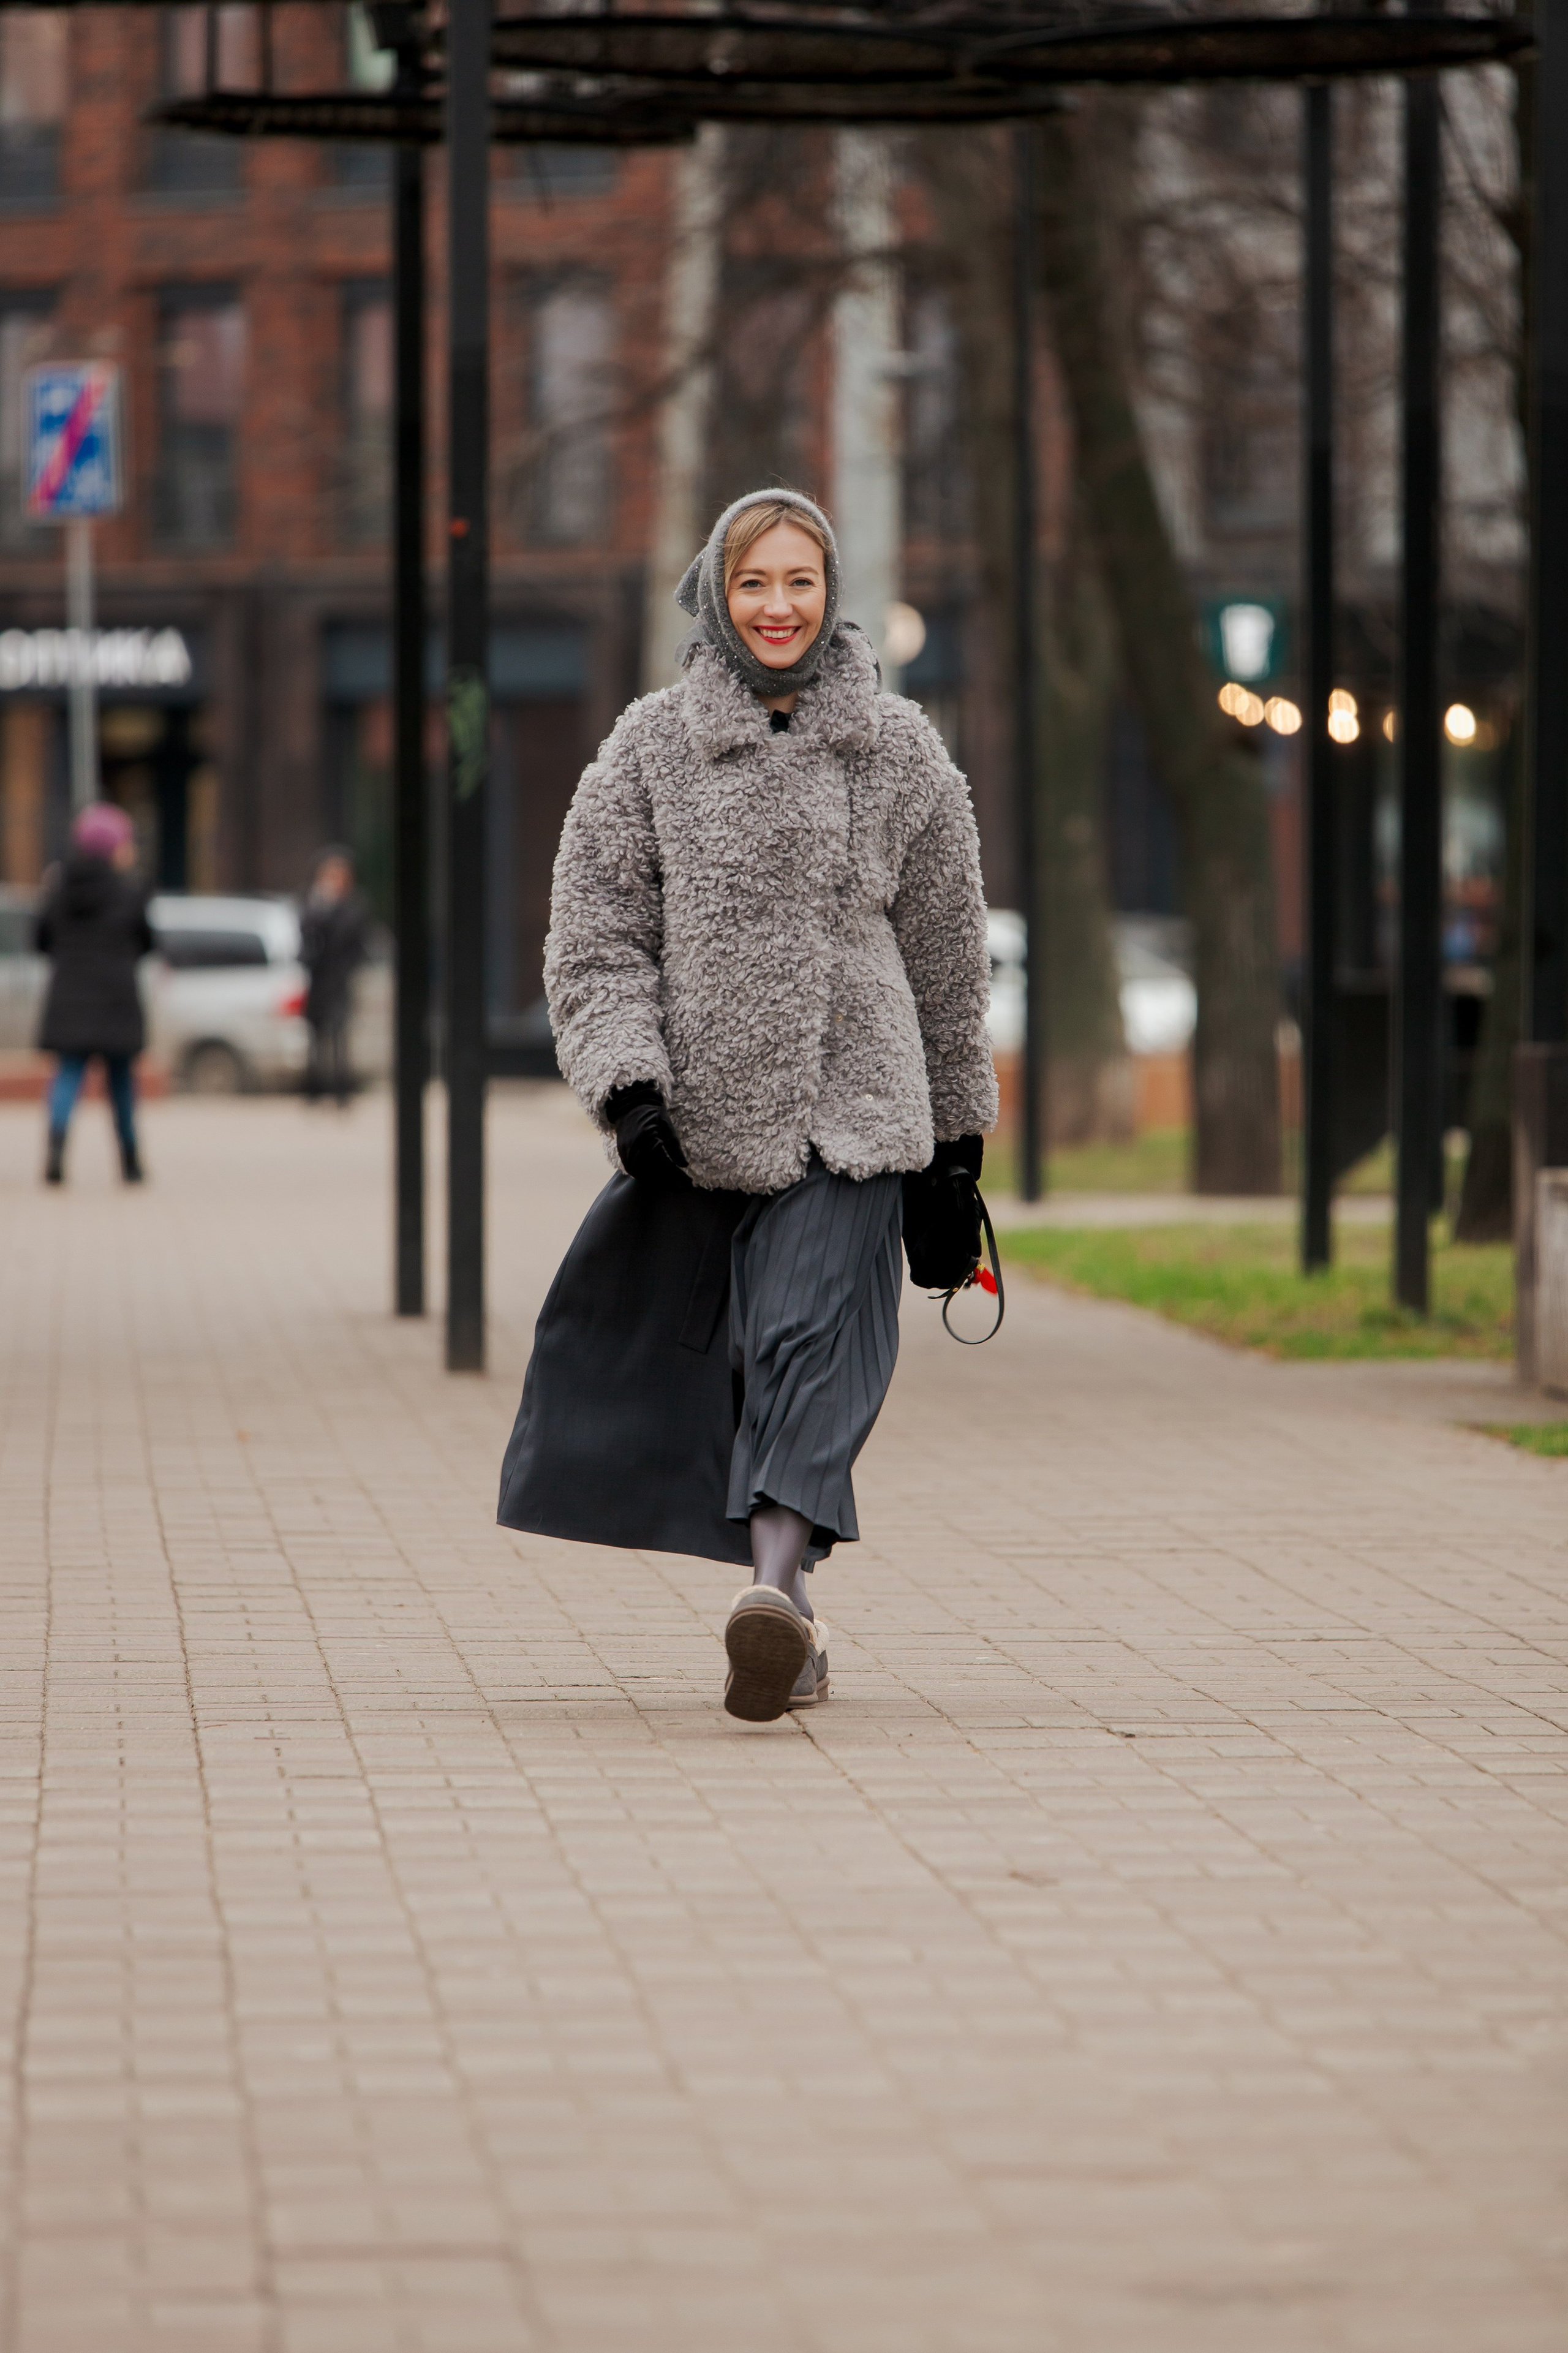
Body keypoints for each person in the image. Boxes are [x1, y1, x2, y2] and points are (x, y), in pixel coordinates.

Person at [499, 488, 998, 1723]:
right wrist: (625, 1089)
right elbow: (595, 939)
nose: (778, 607)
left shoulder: (900, 753)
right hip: (706, 1127)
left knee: (810, 1347)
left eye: (800, 584)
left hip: (860, 1111)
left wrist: (955, 1144)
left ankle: (769, 1594)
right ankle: (797, 1622)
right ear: (715, 597)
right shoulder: (646, 751)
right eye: (753, 584)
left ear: (833, 599)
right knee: (734, 1365)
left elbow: (945, 955)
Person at [36, 801, 154, 1187]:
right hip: (116, 998)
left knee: (68, 1074)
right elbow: (147, 942)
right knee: (121, 1082)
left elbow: (41, 939)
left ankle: (55, 1150)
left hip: (70, 996)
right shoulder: (129, 891)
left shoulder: (59, 886)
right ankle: (130, 1161)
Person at [299, 846, 368, 1105]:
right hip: (317, 981)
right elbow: (306, 932)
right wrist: (322, 904)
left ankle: (341, 1093)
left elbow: (352, 938)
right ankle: (313, 1091)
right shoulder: (313, 902)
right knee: (316, 1040)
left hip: (340, 982)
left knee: (340, 1038)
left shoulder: (353, 906)